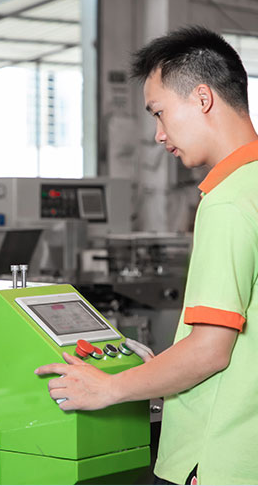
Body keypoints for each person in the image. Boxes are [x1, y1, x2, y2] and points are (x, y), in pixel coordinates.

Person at [35, 26, 258, 485]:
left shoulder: (228, 200)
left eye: (159, 113)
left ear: (202, 98)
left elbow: (211, 351)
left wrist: (109, 386)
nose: (158, 135)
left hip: (221, 455)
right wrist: (159, 367)